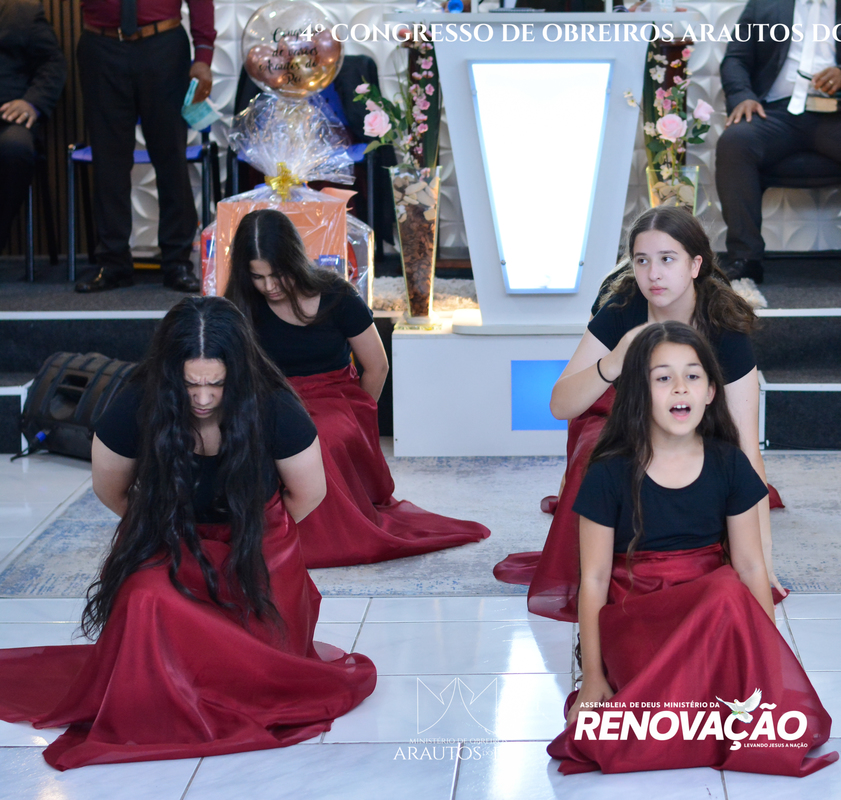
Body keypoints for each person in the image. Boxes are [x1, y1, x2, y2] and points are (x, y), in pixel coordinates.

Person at [0, 297, 376, 770]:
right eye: (190, 384)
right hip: (172, 537)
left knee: (255, 650)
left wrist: (257, 538)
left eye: (216, 384)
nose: (202, 398)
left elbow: (308, 494)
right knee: (145, 599)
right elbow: (110, 488)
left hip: (255, 541)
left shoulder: (274, 404)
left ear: (238, 374)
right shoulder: (138, 400)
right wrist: (157, 530)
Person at [547, 321, 836, 776]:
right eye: (663, 377)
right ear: (638, 393)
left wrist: (769, 662)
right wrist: (594, 680)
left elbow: (751, 566)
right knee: (723, 594)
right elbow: (596, 579)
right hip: (639, 619)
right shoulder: (608, 471)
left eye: (693, 376)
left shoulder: (729, 463)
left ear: (711, 392)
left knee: (728, 591)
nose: (680, 387)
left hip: (709, 617)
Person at [493, 207, 784, 621]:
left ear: (695, 265)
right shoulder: (623, 309)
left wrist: (764, 556)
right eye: (642, 261)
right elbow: (560, 405)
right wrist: (614, 361)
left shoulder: (723, 326)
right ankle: (604, 561)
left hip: (693, 420)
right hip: (624, 414)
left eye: (667, 259)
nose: (654, 274)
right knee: (597, 452)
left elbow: (746, 447)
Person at [225, 209, 489, 568]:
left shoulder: (337, 295)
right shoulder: (242, 303)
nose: (269, 286)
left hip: (334, 395)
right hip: (273, 397)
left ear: (294, 261)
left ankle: (318, 539)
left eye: (278, 274)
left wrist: (360, 416)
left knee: (319, 436)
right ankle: (262, 529)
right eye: (258, 277)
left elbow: (377, 366)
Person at [716, 0, 841, 287]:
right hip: (774, 112)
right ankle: (745, 258)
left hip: (838, 115)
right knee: (735, 141)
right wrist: (743, 97)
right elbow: (735, 60)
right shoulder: (762, 7)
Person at [72, 0, 214, 293]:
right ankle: (113, 262)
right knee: (108, 162)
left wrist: (203, 54)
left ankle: (177, 262)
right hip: (101, 47)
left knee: (171, 158)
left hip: (163, 46)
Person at [0, 0, 66, 252]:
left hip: (7, 118)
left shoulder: (22, 12)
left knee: (15, 150)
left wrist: (32, 103)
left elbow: (53, 62)